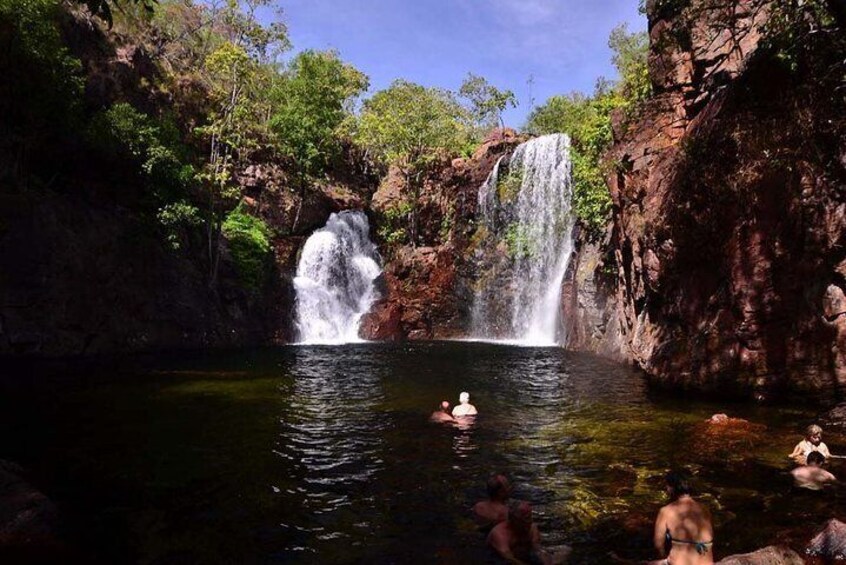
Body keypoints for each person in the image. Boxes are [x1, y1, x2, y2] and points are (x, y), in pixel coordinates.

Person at [652, 471, 714, 565]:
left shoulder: (666, 511)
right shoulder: (704, 509)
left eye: (667, 486)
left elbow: (658, 544)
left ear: (671, 488)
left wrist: (664, 556)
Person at [487, 501, 569, 564]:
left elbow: (537, 548)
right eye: (525, 519)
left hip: (525, 556)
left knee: (565, 550)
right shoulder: (499, 534)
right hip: (501, 560)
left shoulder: (532, 528)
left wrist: (545, 560)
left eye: (529, 517)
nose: (529, 522)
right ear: (513, 520)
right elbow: (509, 558)